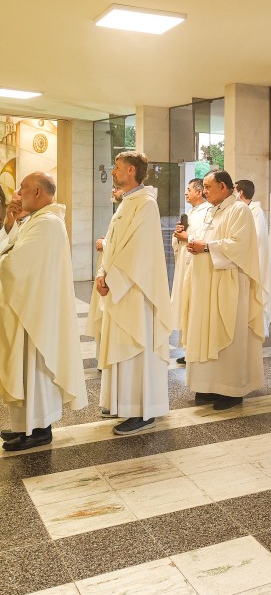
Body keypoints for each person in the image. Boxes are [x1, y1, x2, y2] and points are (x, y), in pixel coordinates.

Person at [0, 172, 87, 451]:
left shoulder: (48, 223)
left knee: (34, 371)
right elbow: (13, 248)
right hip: (28, 307)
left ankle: (38, 430)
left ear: (37, 192)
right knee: (25, 370)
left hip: (35, 313)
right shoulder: (37, 220)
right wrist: (11, 223)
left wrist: (5, 257)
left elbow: (16, 263)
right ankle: (24, 426)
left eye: (22, 188)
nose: (18, 194)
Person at [87, 151, 171, 435]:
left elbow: (139, 251)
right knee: (120, 345)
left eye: (117, 167)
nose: (113, 172)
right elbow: (112, 245)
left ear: (132, 170)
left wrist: (112, 278)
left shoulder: (146, 204)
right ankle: (121, 402)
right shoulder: (127, 202)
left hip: (136, 290)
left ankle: (143, 410)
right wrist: (102, 273)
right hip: (119, 287)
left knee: (136, 346)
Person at [181, 169, 264, 410]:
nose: (204, 191)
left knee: (228, 331)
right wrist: (193, 243)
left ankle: (231, 390)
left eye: (208, 187)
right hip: (204, 282)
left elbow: (239, 246)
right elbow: (200, 239)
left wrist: (206, 247)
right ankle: (207, 385)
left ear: (224, 187)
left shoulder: (239, 211)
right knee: (204, 331)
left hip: (228, 283)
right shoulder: (211, 211)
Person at [172, 180, 210, 364]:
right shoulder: (191, 212)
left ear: (199, 192)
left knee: (194, 307)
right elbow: (182, 240)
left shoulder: (208, 212)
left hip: (195, 265)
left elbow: (205, 239)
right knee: (185, 307)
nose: (186, 193)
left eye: (189, 190)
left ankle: (195, 349)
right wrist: (178, 235)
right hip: (184, 265)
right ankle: (189, 349)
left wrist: (188, 237)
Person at [235, 179, 271, 336]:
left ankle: (257, 330)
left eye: (234, 190)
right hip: (245, 261)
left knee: (255, 297)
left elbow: (256, 236)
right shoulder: (244, 210)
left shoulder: (255, 211)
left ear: (240, 193)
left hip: (255, 261)